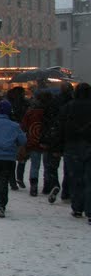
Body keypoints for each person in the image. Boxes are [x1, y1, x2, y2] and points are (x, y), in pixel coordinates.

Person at [58, 82, 91, 221]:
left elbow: (60, 127)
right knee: (89, 179)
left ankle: (77, 207)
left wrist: (58, 146)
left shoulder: (68, 107)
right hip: (89, 143)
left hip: (72, 145)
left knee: (75, 177)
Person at [20, 91, 52, 197]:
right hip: (48, 141)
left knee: (35, 164)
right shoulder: (50, 111)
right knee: (48, 165)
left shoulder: (31, 112)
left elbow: (24, 127)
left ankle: (34, 185)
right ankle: (48, 185)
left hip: (33, 140)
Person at [6, 86, 30, 190]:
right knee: (22, 156)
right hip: (23, 130)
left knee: (11, 158)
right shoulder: (25, 104)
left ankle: (12, 181)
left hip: (10, 131)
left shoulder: (8, 103)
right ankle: (19, 177)